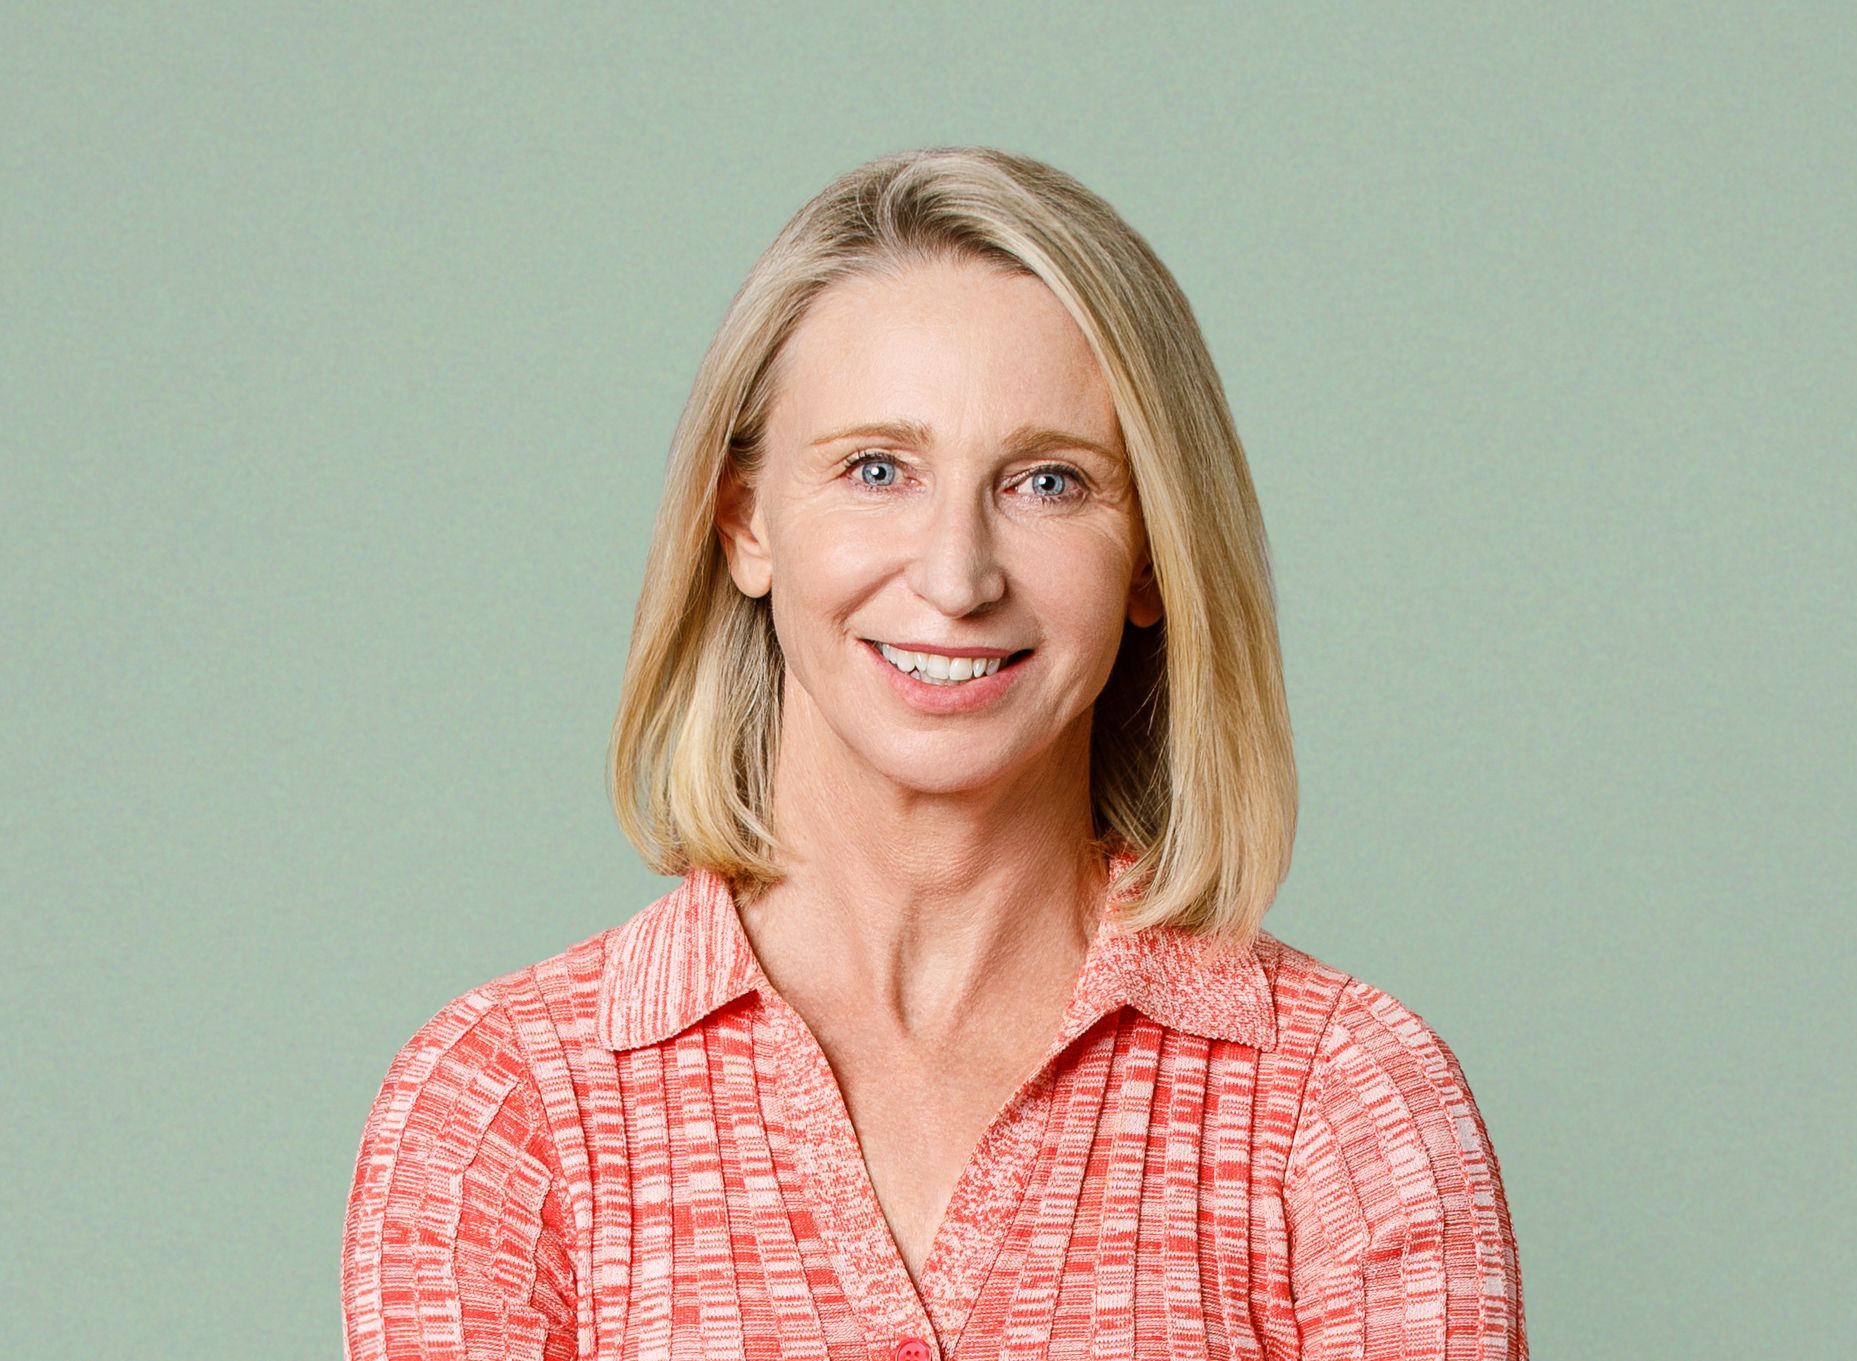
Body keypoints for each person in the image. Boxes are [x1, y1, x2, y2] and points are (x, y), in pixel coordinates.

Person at [339, 145, 1527, 1361]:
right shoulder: (508, 1108)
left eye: (1050, 480)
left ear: (1157, 559)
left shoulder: (1345, 1104)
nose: (957, 576)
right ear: (744, 520)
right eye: (875, 469)